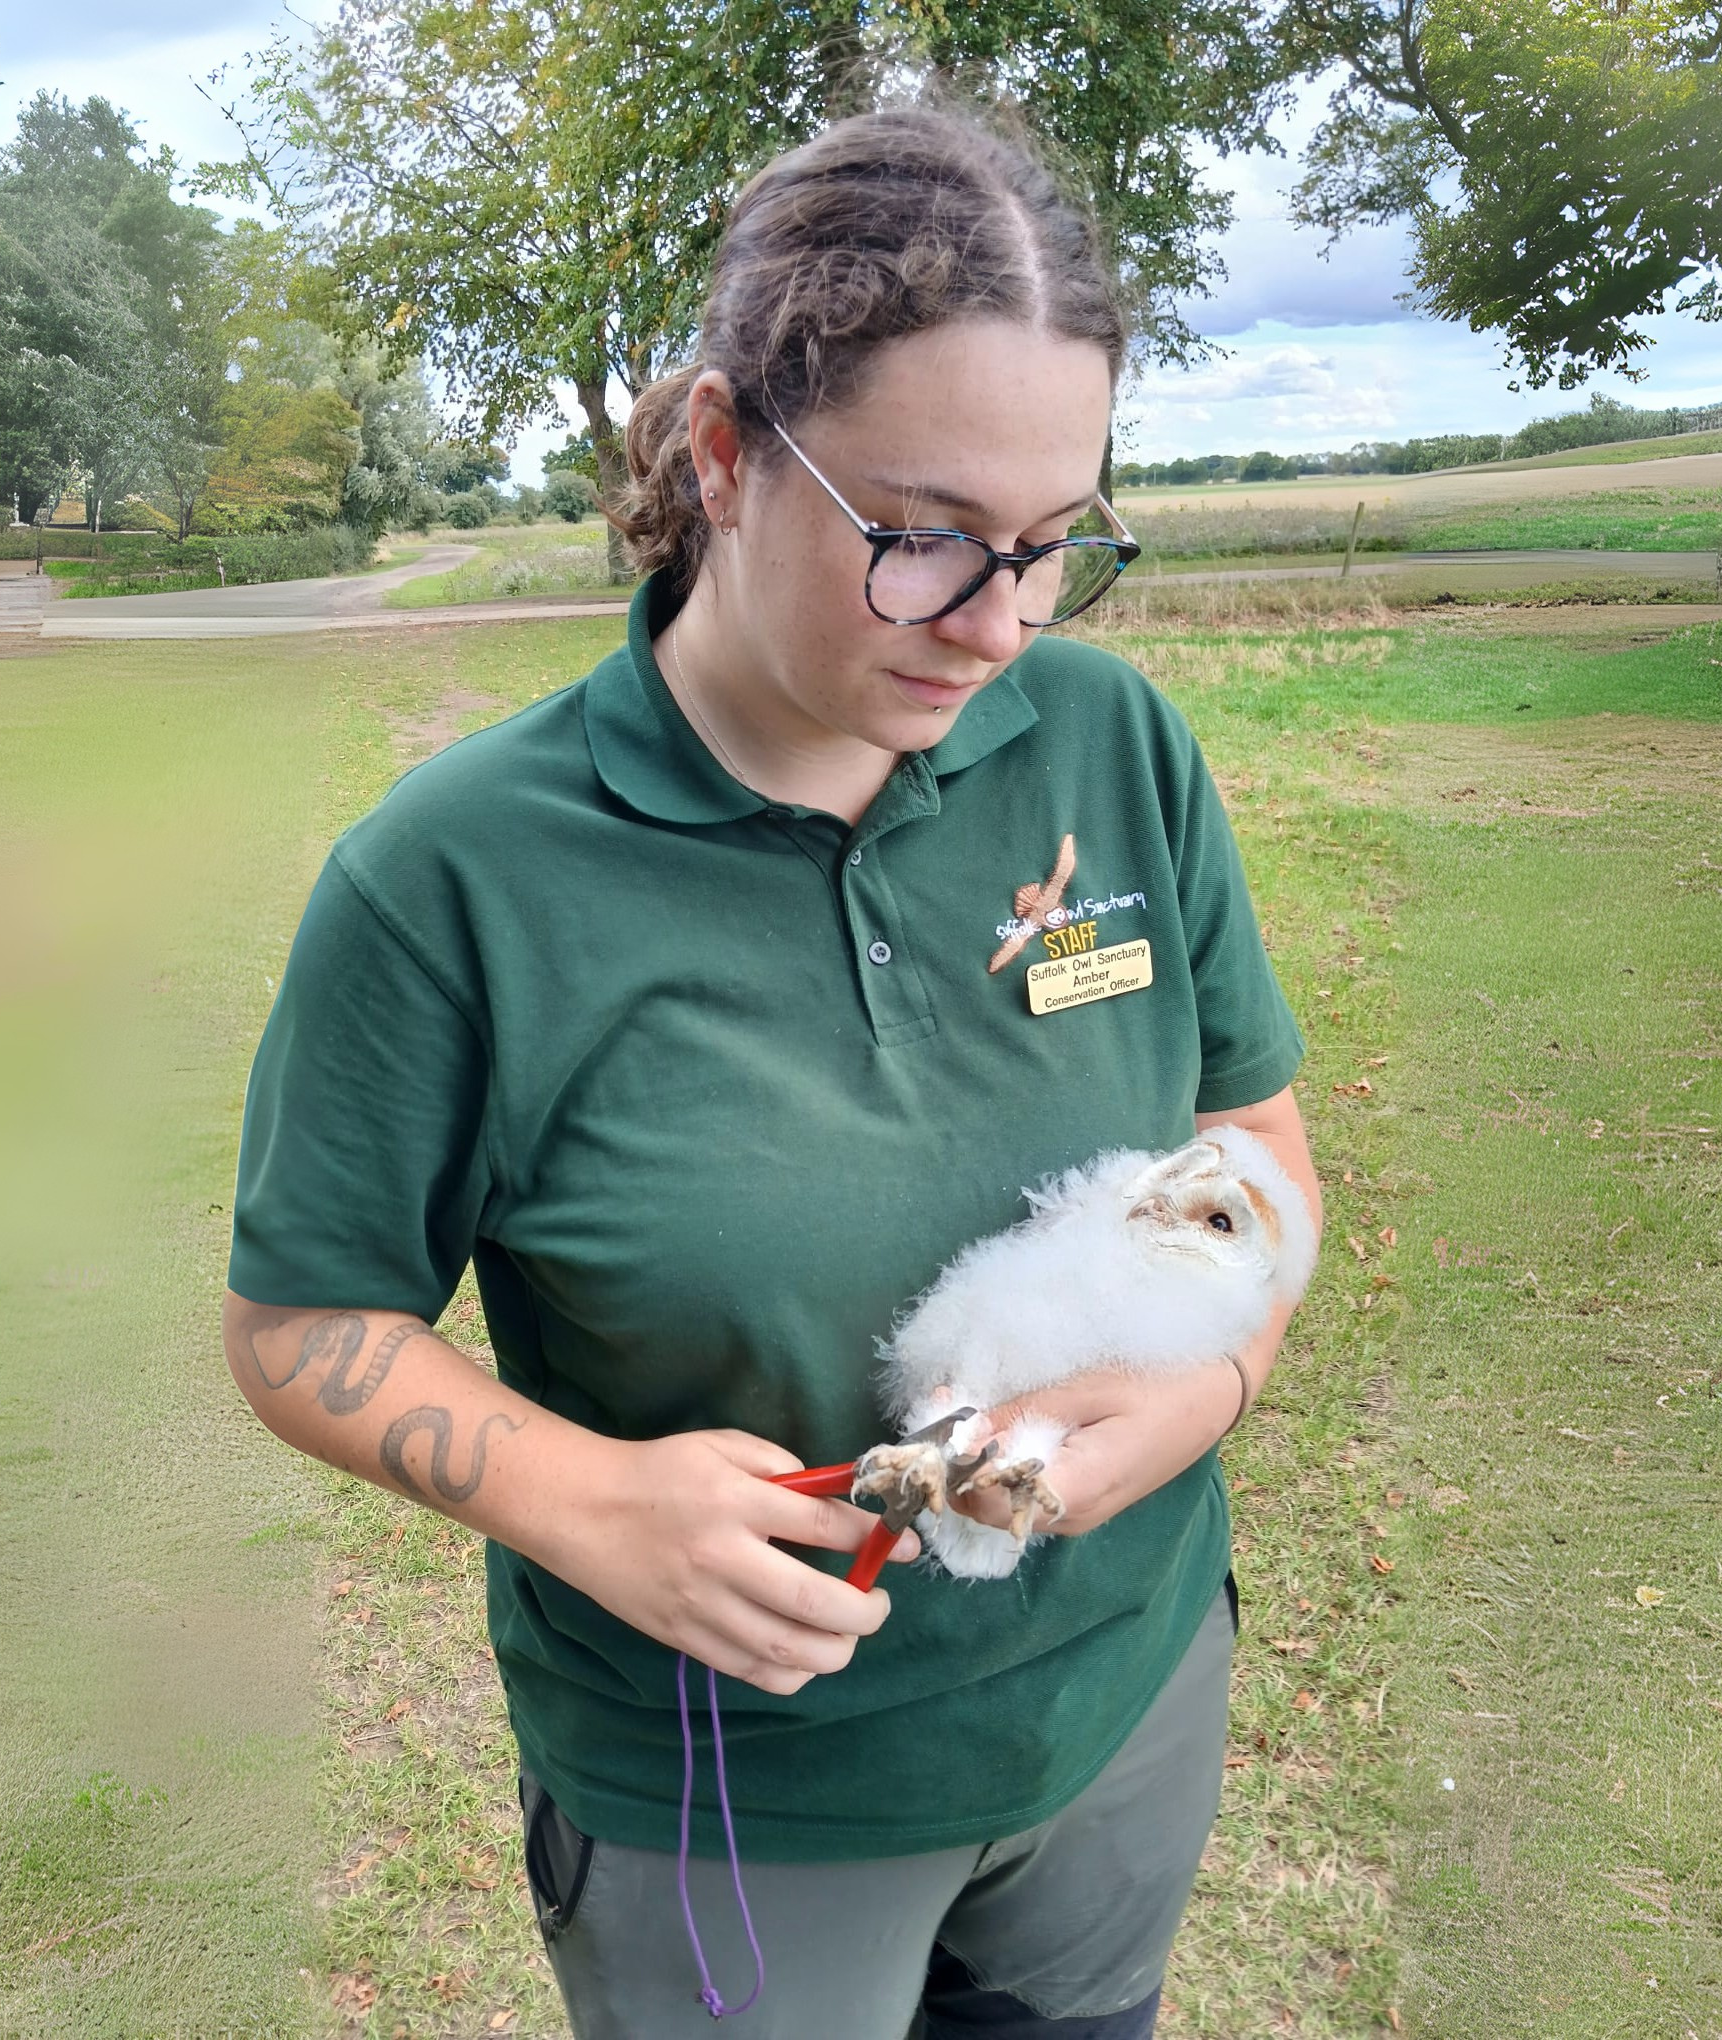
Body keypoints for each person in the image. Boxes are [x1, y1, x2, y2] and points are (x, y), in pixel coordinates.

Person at [222, 102, 1321, 2040]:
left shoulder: (1112, 745)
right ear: (725, 453)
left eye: (1056, 544)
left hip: (1125, 1703)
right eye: (921, 540)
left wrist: (1212, 1383)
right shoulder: (450, 884)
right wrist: (585, 1504)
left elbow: (1252, 1139)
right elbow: (305, 1327)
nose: (997, 624)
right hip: (745, 1808)